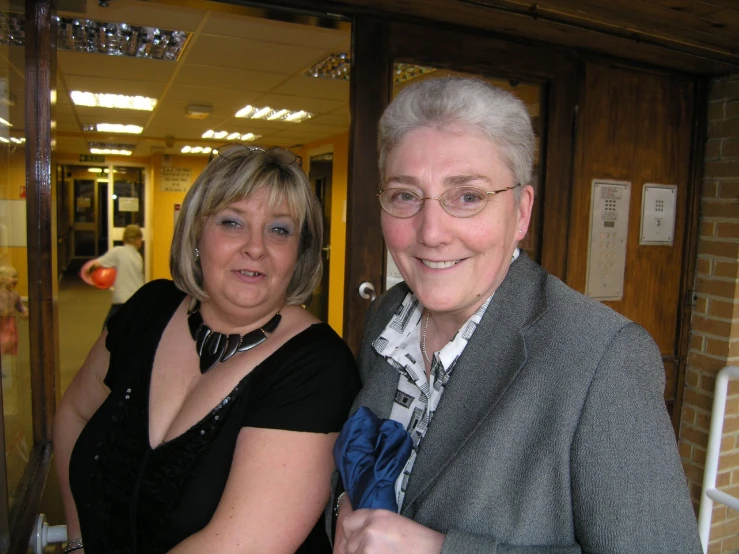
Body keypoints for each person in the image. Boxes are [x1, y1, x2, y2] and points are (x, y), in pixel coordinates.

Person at [331, 77, 702, 553]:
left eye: (467, 196)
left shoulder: (601, 358)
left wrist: (437, 551)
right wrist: (345, 503)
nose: (431, 232)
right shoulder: (386, 317)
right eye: (405, 195)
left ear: (521, 212)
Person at [54, 144, 360, 554]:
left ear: (300, 252)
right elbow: (74, 413)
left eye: (280, 229)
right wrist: (77, 542)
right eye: (233, 222)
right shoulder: (149, 309)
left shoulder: (317, 367)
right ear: (197, 232)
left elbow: (237, 545)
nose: (256, 247)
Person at [83, 223, 144, 329]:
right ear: (137, 240)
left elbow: (95, 265)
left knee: (107, 330)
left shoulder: (117, 252)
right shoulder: (138, 257)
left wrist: (89, 274)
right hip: (136, 300)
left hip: (121, 300)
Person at [0, 265, 28, 356]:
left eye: (16, 277)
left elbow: (19, 306)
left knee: (8, 342)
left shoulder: (15, 295)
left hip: (9, 323)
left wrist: (25, 311)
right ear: (2, 279)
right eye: (13, 277)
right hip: (1, 321)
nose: (16, 280)